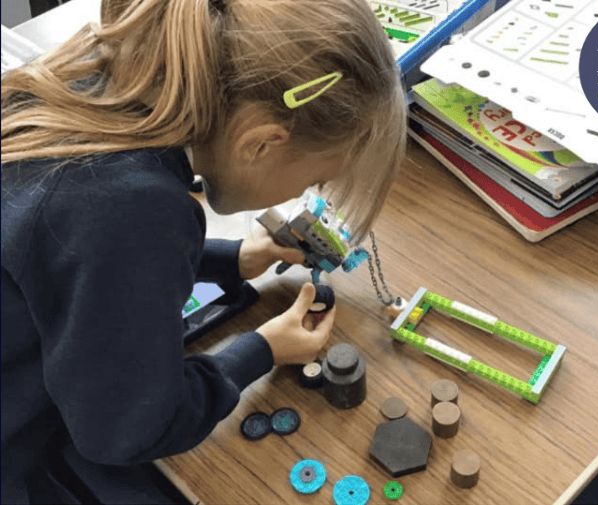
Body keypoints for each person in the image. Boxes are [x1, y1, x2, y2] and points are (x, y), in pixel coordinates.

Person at [0, 0, 407, 502]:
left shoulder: (88, 77)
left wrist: (232, 260)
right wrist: (260, 350)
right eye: (317, 178)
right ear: (259, 144)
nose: (306, 193)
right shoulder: (136, 210)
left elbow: (72, 265)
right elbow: (127, 430)